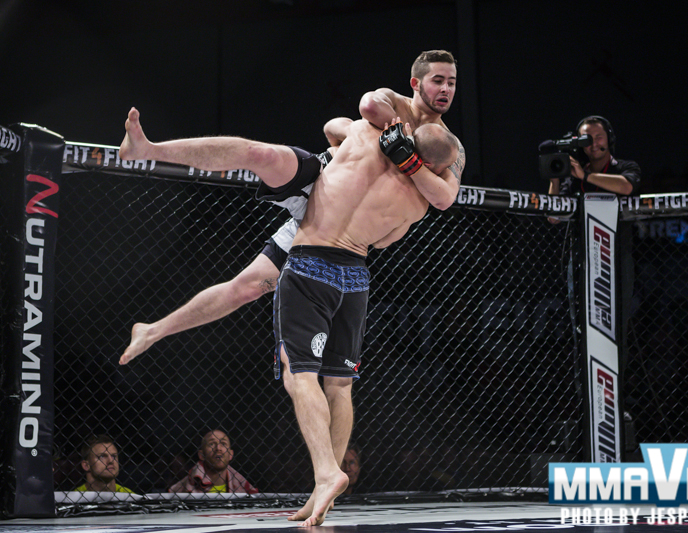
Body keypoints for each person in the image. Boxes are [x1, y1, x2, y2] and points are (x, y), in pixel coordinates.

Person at [118, 49, 465, 369]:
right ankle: (148, 150)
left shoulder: (450, 147)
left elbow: (445, 197)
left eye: (451, 82)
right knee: (261, 154)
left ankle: (152, 330)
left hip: (332, 229)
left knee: (247, 287)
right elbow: (366, 108)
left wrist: (405, 153)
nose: (446, 89)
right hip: (323, 180)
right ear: (416, 83)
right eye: (438, 80)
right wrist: (394, 135)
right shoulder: (394, 102)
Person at [276, 116, 458, 526]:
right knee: (340, 384)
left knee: (299, 372)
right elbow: (384, 240)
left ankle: (327, 473)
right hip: (355, 276)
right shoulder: (419, 201)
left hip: (312, 263)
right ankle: (323, 492)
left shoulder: (364, 136)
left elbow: (331, 126)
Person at [548, 115, 641, 197]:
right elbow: (554, 211)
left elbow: (626, 187)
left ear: (609, 139)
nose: (594, 144)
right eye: (586, 140)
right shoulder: (574, 177)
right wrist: (554, 181)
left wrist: (585, 176)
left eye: (598, 137)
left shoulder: (627, 167)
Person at [169, 429, 257, 494]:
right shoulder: (183, 488)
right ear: (201, 455)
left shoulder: (241, 486)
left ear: (231, 454)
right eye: (211, 444)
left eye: (223, 444)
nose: (218, 448)